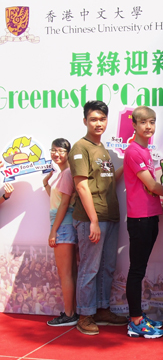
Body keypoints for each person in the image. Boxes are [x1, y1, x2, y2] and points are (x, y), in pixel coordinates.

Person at [69, 100, 127, 335]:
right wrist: (93, 220)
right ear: (85, 121)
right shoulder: (79, 148)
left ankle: (102, 309)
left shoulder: (102, 149)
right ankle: (85, 314)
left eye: (102, 119)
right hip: (91, 219)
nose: (98, 123)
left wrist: (133, 163)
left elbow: (110, 179)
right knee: (89, 268)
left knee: (107, 267)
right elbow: (81, 186)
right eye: (93, 119)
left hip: (110, 216)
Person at [124, 106, 163, 339]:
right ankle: (134, 321)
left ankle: (139, 316)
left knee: (140, 269)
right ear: (134, 125)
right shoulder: (133, 151)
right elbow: (151, 186)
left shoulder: (145, 150)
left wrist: (161, 203)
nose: (148, 126)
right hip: (140, 219)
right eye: (143, 122)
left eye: (152, 121)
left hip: (150, 216)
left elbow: (149, 190)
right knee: (137, 270)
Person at [42, 138, 78, 326]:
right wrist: (46, 183)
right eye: (53, 150)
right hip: (64, 223)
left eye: (60, 151)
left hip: (62, 225)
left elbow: (64, 204)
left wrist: (53, 231)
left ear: (68, 153)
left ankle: (69, 314)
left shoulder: (66, 174)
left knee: (65, 273)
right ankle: (72, 312)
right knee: (69, 272)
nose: (56, 154)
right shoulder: (63, 174)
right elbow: (57, 200)